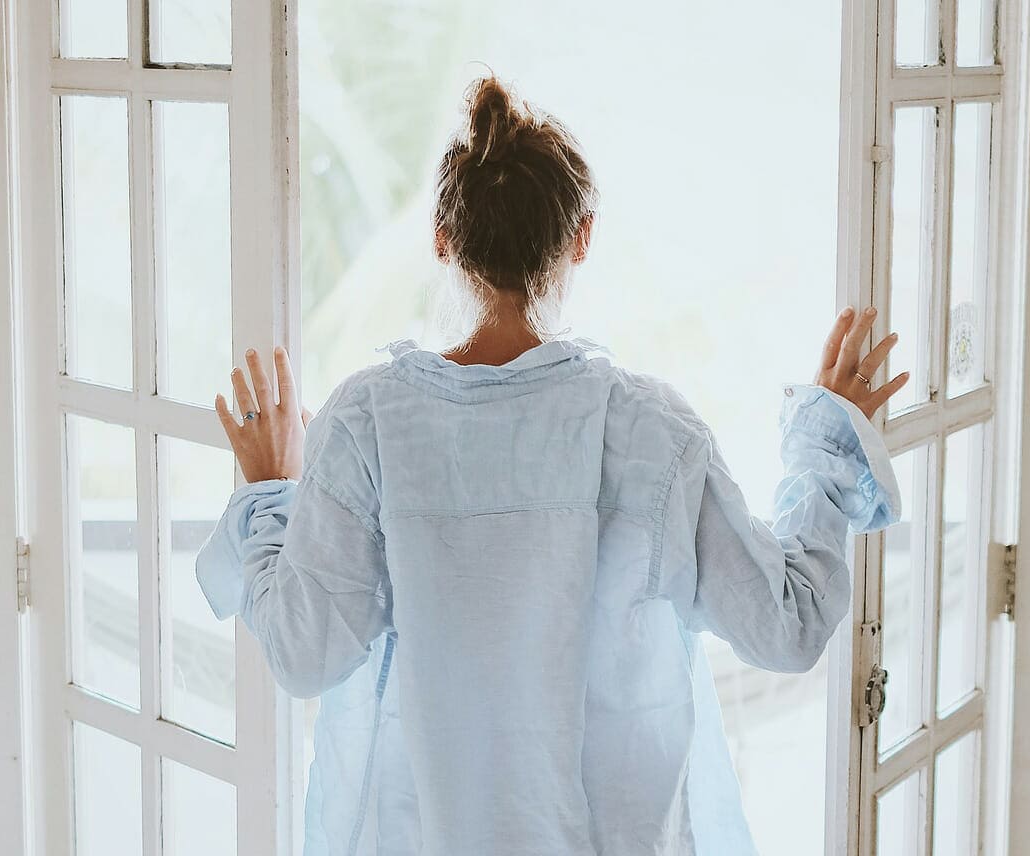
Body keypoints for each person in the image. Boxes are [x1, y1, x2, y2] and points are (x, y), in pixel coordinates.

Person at [197, 75, 908, 856]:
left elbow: (304, 654)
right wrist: (828, 448)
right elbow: (787, 627)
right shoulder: (649, 430)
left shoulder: (367, 424)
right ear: (582, 236)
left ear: (442, 237)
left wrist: (271, 495)